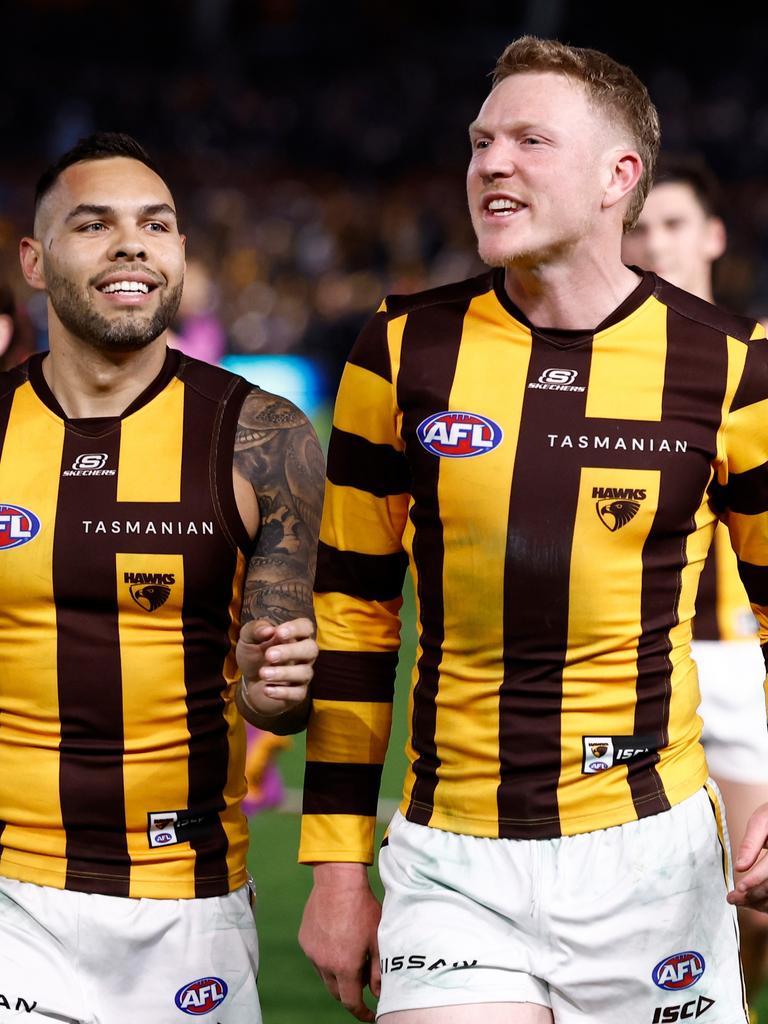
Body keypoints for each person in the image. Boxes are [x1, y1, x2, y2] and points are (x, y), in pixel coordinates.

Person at [298, 36, 768, 1024]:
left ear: (617, 177)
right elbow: (351, 620)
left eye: (529, 139)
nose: (491, 162)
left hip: (655, 859)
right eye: (479, 140)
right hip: (451, 856)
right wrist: (338, 866)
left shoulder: (727, 366)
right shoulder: (398, 349)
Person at [0, 132, 324, 1023]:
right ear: (34, 259)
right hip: (11, 893)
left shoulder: (263, 437)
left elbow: (278, 704)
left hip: (190, 906)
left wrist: (277, 683)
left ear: (181, 253)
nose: (132, 243)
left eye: (156, 224)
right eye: (93, 224)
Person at [623, 154, 768, 1003]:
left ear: (712, 236)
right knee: (652, 911)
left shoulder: (757, 361)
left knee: (753, 906)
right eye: (641, 228)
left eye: (674, 225)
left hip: (744, 661)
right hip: (645, 660)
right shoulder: (606, 368)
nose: (657, 244)